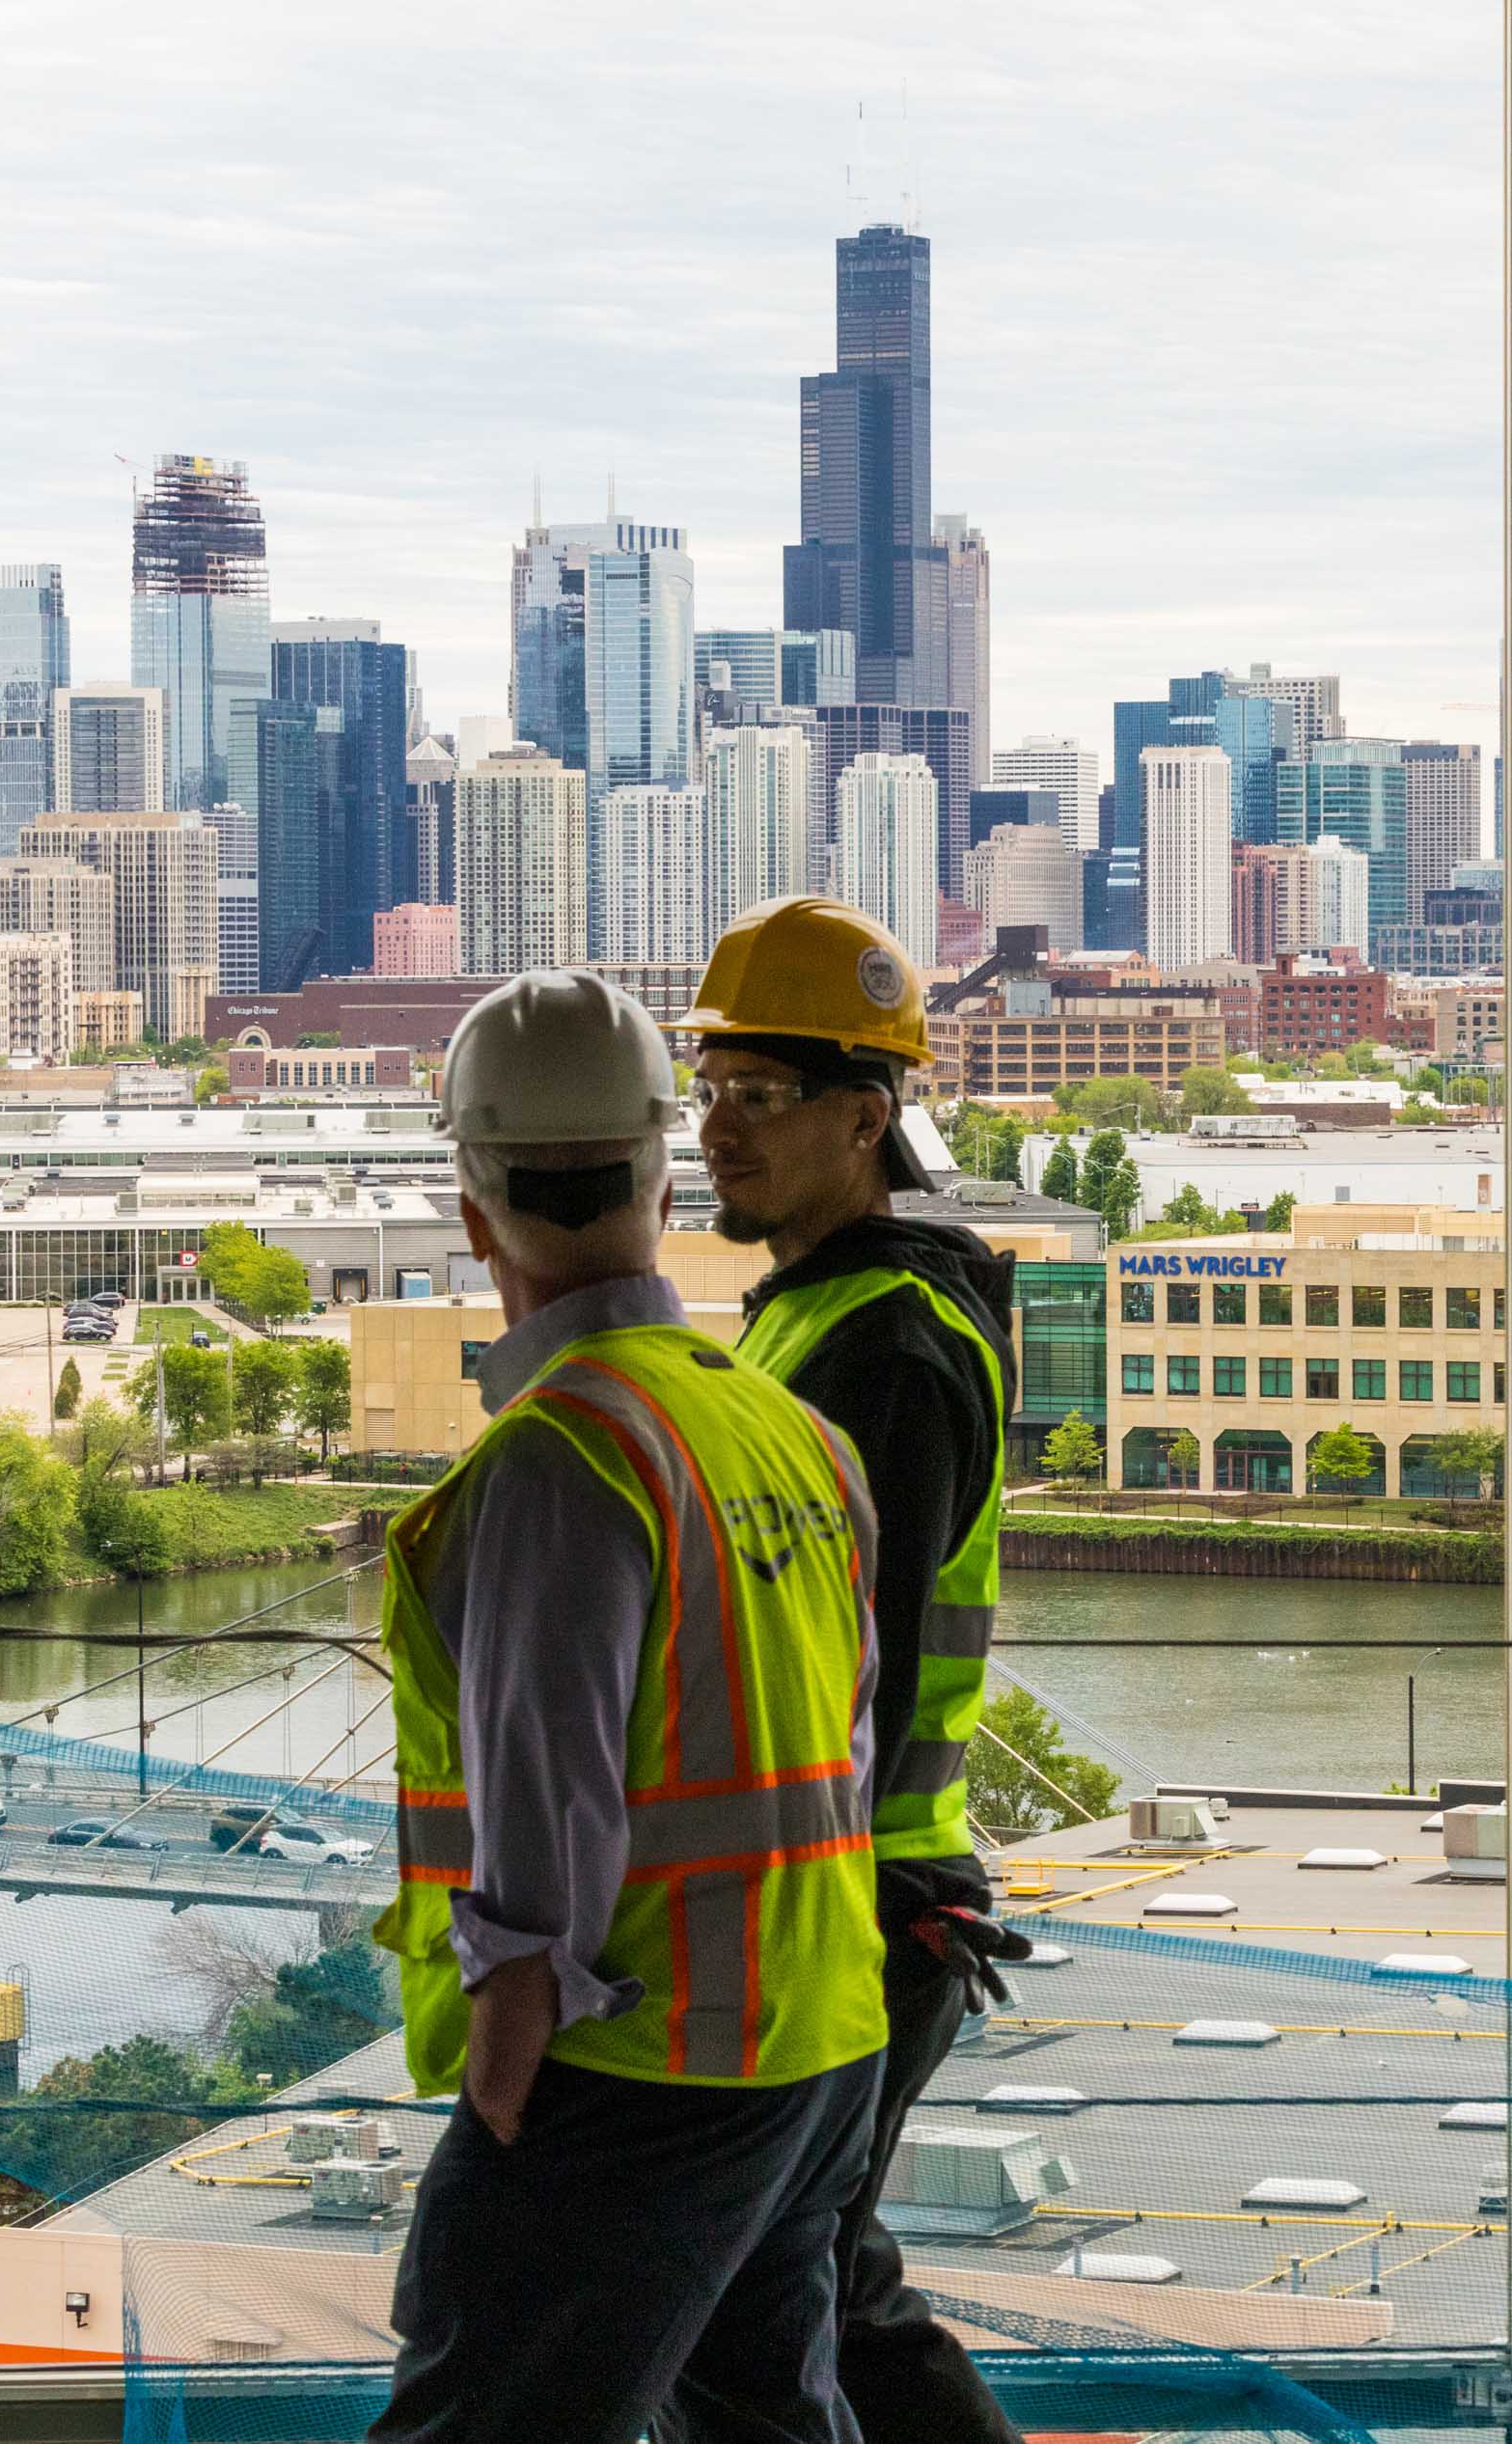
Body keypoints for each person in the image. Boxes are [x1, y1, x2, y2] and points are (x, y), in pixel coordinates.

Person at [370, 969, 890, 2444]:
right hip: (811, 2038)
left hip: (635, 2065)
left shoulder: (562, 1456)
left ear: (475, 1214)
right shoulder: (791, 1432)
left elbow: (552, 1803)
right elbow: (841, 1739)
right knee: (765, 2420)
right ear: (661, 1178)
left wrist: (505, 2074)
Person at [680, 896, 1027, 2444]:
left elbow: (846, 1665)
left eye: (759, 1096)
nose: (716, 1128)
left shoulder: (885, 1342)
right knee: (797, 2261)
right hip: (834, 1879)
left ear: (866, 1116)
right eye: (709, 1089)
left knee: (780, 2262)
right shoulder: (812, 1313)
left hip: (858, 1888)